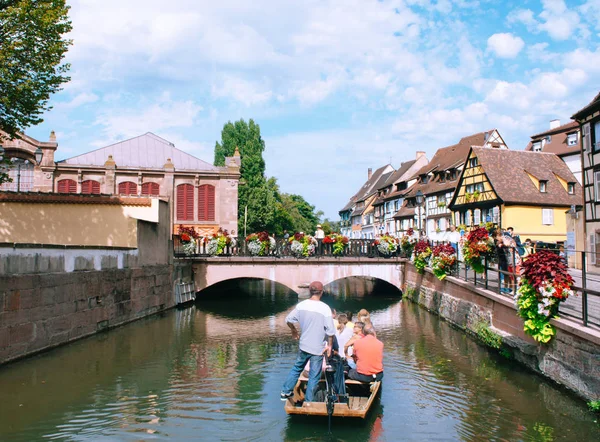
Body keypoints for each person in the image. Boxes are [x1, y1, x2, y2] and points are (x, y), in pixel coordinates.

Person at [281, 281, 335, 402]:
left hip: (304, 345)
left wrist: (294, 330)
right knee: (314, 377)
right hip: (317, 349)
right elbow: (330, 331)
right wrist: (330, 346)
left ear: (310, 291)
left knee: (297, 368)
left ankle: (285, 391)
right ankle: (309, 401)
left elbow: (288, 319)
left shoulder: (302, 305)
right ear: (321, 292)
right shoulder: (325, 308)